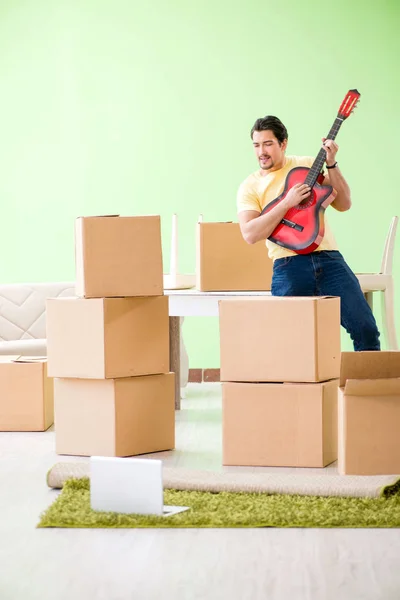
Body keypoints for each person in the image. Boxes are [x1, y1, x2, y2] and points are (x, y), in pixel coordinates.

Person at [237, 115, 380, 351]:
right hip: (287, 265)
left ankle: (364, 387)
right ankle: (295, 389)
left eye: (268, 144)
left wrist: (332, 163)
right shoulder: (250, 186)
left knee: (365, 328)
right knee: (288, 342)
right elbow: (250, 234)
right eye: (256, 145)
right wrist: (287, 202)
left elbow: (344, 204)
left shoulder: (307, 165)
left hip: (330, 259)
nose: (261, 151)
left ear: (283, 143)